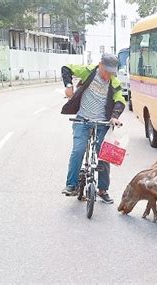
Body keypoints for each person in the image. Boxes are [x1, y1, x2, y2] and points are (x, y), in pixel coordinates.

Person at [60, 53, 126, 204]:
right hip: (82, 120)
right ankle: (71, 185)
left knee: (103, 154)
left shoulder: (114, 83)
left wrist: (115, 116)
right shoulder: (88, 71)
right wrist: (69, 86)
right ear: (100, 65)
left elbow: (120, 100)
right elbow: (66, 68)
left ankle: (102, 189)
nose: (108, 75)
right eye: (106, 71)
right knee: (78, 150)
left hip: (102, 123)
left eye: (111, 72)